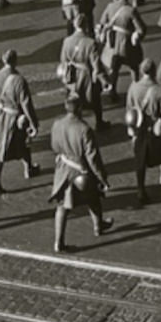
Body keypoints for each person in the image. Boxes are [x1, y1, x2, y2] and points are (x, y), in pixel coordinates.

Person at [47, 94, 112, 252]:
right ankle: (98, 226)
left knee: (62, 206)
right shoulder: (84, 129)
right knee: (94, 196)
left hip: (63, 169)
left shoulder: (57, 124)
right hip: (80, 171)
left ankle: (58, 242)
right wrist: (102, 178)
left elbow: (54, 147)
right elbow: (93, 157)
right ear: (80, 109)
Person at [0, 49, 38, 193]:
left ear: (3, 59)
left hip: (3, 116)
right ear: (15, 61)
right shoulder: (19, 79)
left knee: (4, 147)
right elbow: (26, 103)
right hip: (17, 117)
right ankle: (25, 170)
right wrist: (33, 122)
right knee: (20, 145)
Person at [126, 58, 161, 204]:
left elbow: (129, 109)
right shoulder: (159, 90)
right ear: (154, 71)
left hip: (139, 128)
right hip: (155, 127)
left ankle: (140, 189)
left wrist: (130, 128)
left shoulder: (134, 87)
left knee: (140, 161)